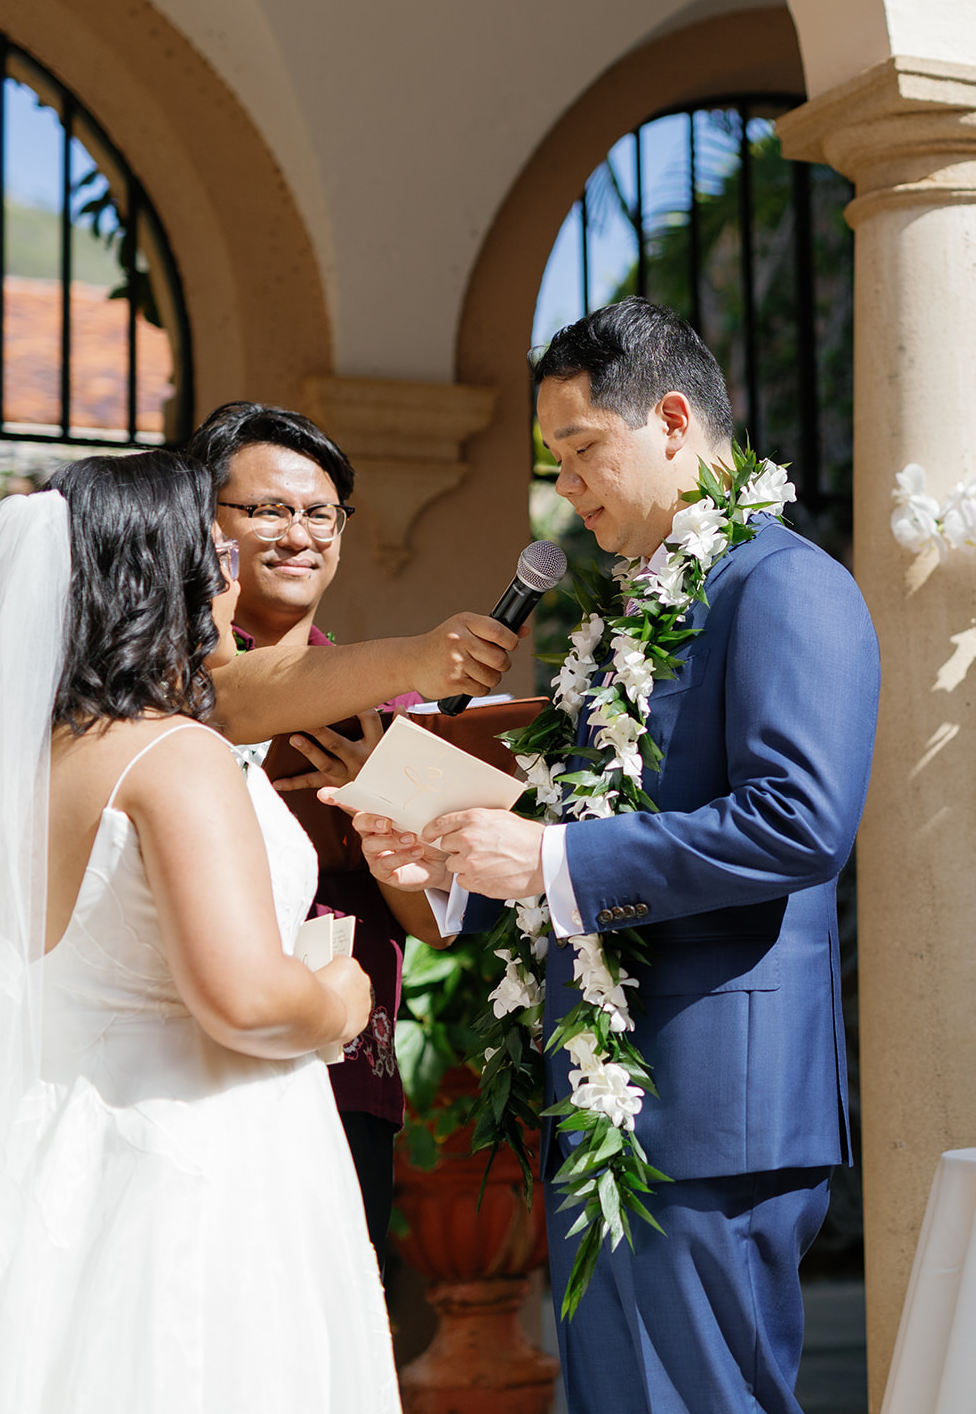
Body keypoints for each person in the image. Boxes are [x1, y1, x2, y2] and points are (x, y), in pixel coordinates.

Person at [346, 298, 881, 1414]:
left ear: (673, 420)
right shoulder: (618, 622)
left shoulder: (781, 585)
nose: (566, 489)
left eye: (582, 450)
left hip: (714, 1101)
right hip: (599, 1093)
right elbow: (567, 842)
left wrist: (545, 859)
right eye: (556, 461)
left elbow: (797, 822)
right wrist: (441, 865)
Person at [0, 448, 515, 1412]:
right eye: (221, 546)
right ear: (164, 577)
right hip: (193, 1168)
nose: (241, 565)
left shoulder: (29, 761)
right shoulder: (177, 755)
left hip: (64, 1147)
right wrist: (339, 995)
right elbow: (242, 996)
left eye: (322, 514)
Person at [186, 402, 451, 1272]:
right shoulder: (163, 678)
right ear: (204, 521)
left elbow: (432, 920)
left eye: (319, 513)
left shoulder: (391, 711)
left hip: (344, 1071)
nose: (299, 535)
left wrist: (384, 818)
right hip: (195, 1056)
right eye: (266, 510)